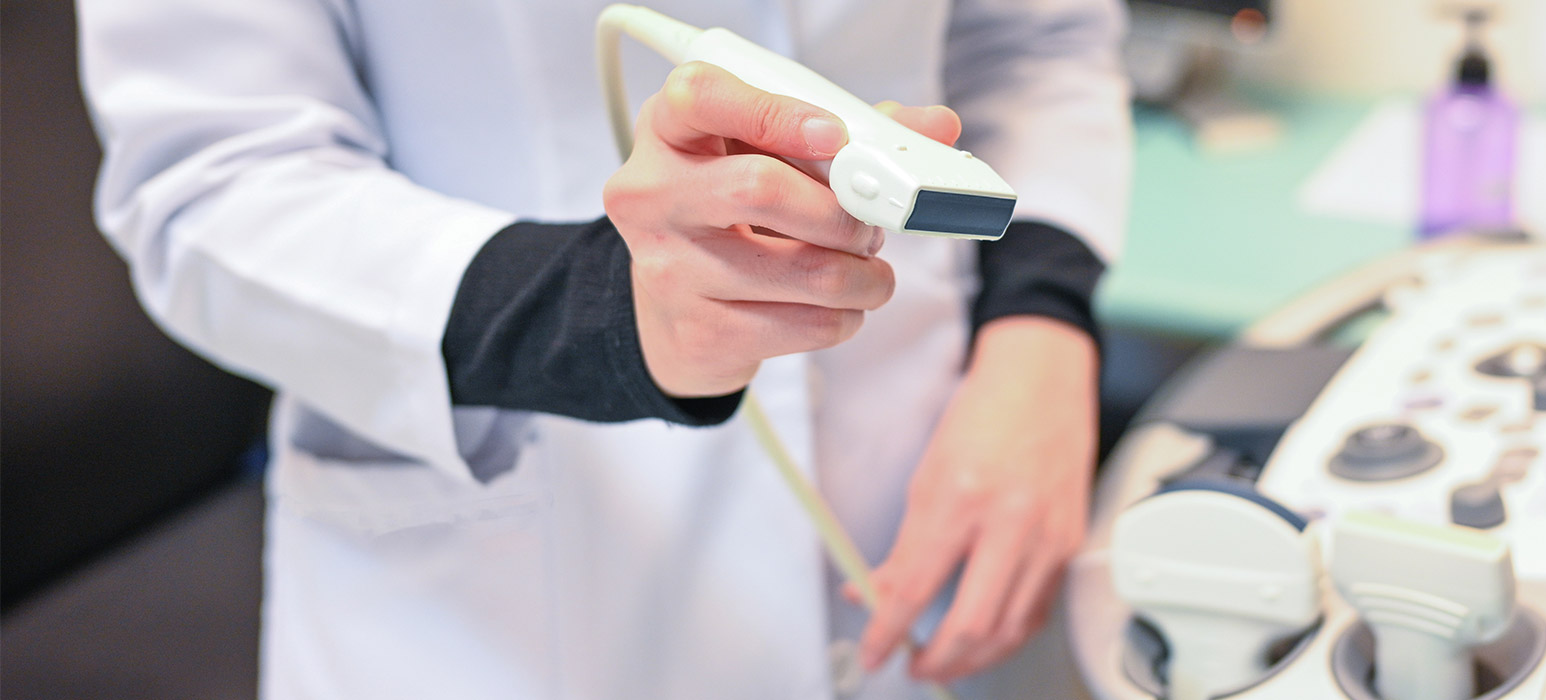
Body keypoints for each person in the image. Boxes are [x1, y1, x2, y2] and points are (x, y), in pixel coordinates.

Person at [77, 0, 1130, 697]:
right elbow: (211, 185)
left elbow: (1035, 40)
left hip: (923, 504)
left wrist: (1039, 331)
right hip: (506, 598)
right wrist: (604, 311)